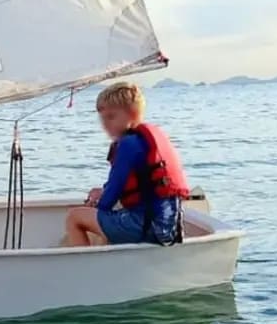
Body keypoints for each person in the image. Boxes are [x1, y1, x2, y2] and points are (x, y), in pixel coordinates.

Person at [63, 81, 189, 247]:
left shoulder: (128, 145)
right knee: (106, 219)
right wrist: (102, 192)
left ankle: (83, 268)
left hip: (146, 228)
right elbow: (124, 185)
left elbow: (110, 197)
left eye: (111, 117)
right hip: (166, 229)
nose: (105, 124)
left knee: (75, 217)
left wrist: (93, 207)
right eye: (102, 118)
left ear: (133, 114)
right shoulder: (142, 141)